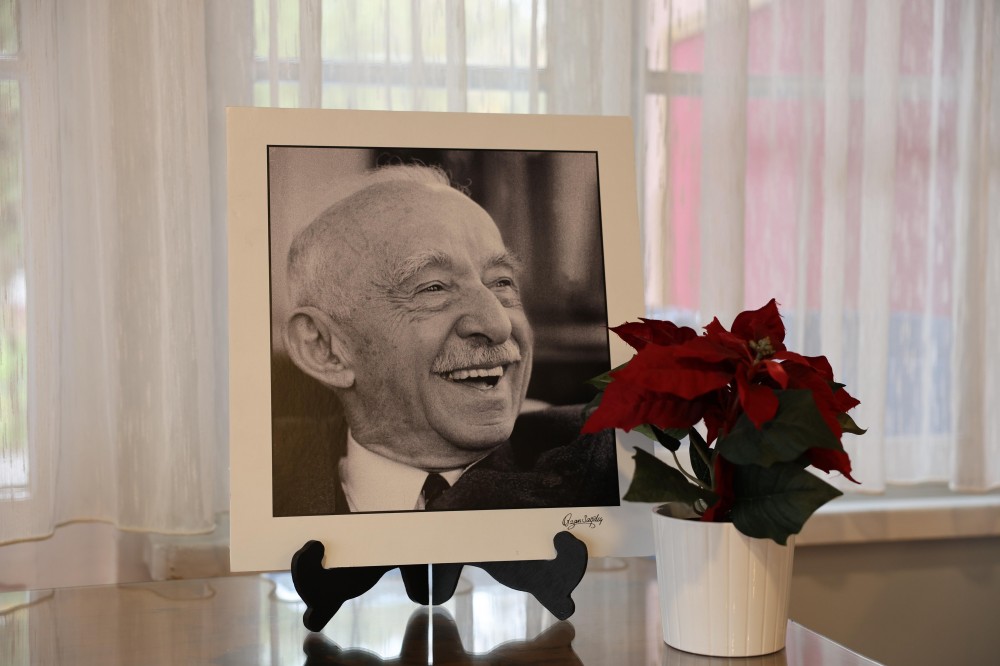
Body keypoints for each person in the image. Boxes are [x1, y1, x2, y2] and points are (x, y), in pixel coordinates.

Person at [272, 164, 618, 515]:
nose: (498, 324)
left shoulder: (605, 460)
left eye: (501, 283)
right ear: (325, 349)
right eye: (433, 288)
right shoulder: (263, 478)